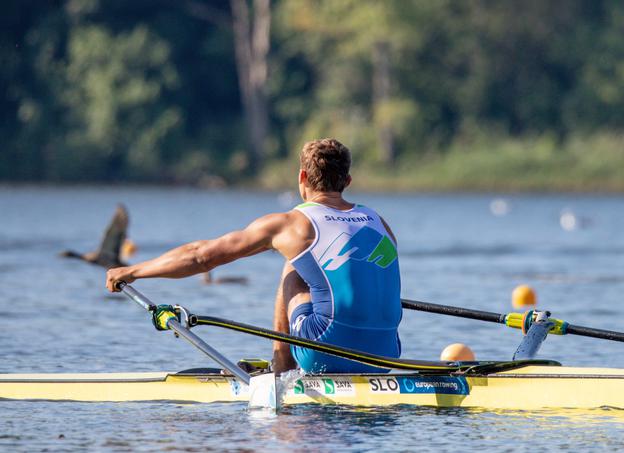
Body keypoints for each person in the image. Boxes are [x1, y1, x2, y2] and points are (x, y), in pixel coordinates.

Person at [106, 138, 402, 373]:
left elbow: (201, 257)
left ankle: (282, 367)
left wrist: (131, 272)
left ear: (302, 178)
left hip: (325, 352)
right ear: (347, 181)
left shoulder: (293, 225)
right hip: (387, 355)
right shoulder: (378, 221)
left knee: (293, 268)